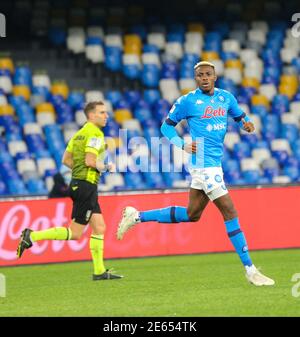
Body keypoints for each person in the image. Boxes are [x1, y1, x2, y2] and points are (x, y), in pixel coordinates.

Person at [117, 61, 275, 287]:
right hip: (202, 163)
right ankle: (250, 270)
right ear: (195, 78)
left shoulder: (226, 98)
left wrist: (247, 124)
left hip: (214, 163)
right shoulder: (187, 101)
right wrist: (181, 144)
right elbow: (166, 127)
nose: (204, 78)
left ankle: (136, 216)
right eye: (199, 75)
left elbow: (240, 116)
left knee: (192, 214)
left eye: (208, 74)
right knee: (229, 210)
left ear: (215, 77)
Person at [17, 101, 123, 281]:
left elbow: (65, 159)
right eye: (102, 113)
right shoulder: (95, 134)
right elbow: (90, 161)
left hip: (79, 184)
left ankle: (99, 271)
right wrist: (106, 166)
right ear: (91, 116)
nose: (106, 116)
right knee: (75, 233)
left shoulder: (79, 134)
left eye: (106, 113)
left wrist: (79, 172)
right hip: (86, 186)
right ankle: (32, 236)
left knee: (99, 227)